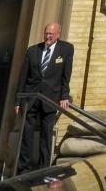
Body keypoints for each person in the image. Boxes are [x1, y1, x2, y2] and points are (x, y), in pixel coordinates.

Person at [15, 22, 73, 173]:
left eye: (51, 34)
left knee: (46, 135)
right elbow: (23, 77)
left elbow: (66, 75)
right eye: (46, 33)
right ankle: (24, 169)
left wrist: (64, 95)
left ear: (58, 34)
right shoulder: (32, 50)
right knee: (26, 135)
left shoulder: (66, 49)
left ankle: (43, 170)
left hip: (50, 99)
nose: (48, 36)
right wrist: (17, 101)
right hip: (30, 99)